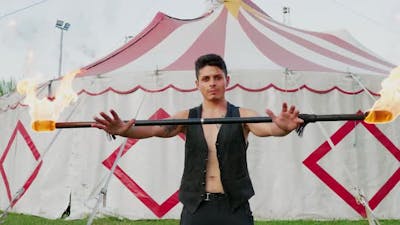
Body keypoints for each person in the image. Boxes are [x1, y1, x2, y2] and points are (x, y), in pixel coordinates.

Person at [92, 53, 304, 225]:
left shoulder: (243, 115)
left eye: (217, 77)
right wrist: (123, 131)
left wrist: (282, 128)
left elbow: (267, 128)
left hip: (235, 208)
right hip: (196, 208)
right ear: (197, 84)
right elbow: (156, 129)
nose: (212, 83)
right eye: (206, 79)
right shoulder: (186, 117)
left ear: (226, 80)